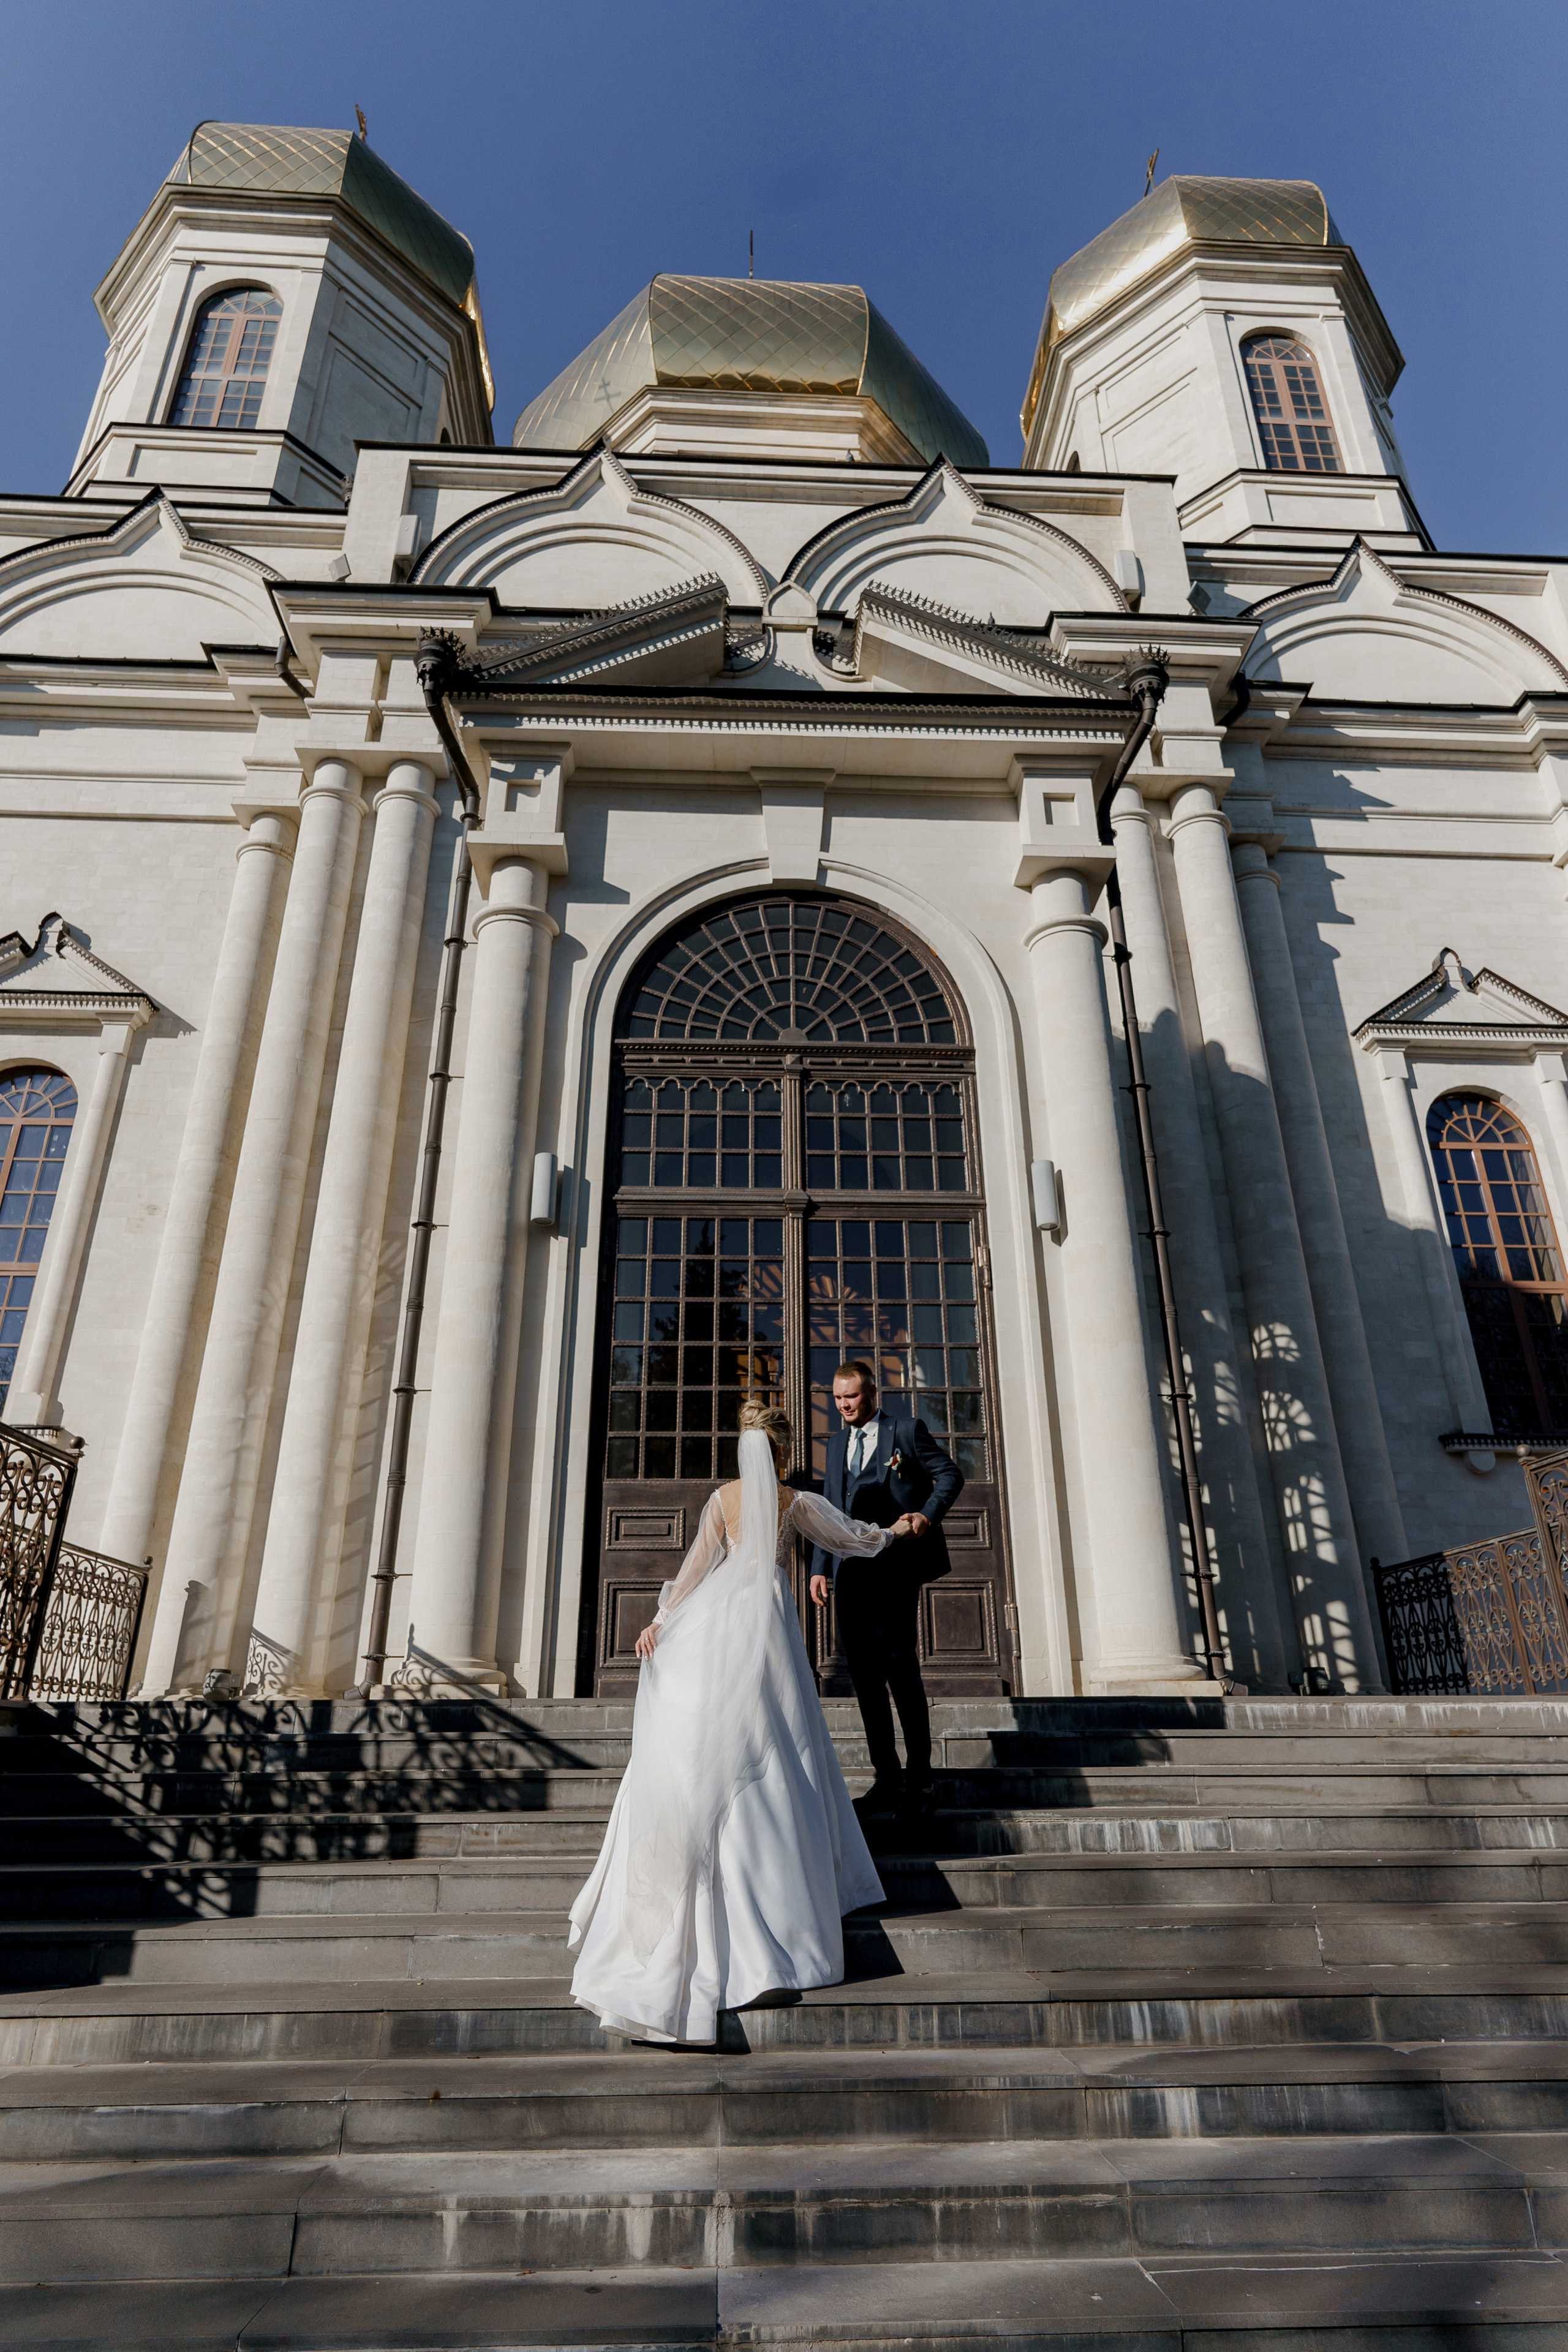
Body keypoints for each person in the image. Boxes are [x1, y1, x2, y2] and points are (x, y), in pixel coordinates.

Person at [568, 1401, 920, 2046]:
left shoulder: (722, 1499)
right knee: (776, 1736)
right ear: (782, 1453)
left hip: (718, 1621)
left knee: (722, 1737)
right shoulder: (794, 1501)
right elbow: (853, 1539)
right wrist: (896, 1529)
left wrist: (660, 1621)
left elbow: (693, 1570)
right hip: (768, 1622)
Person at [809, 1360, 963, 1826]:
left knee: (900, 1667)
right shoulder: (836, 1444)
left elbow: (950, 1475)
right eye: (838, 1398)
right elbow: (830, 1509)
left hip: (896, 1567)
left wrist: (926, 1515)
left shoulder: (907, 1431)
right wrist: (820, 1567)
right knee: (865, 1677)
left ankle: (921, 1782)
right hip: (851, 1573)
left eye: (852, 1397)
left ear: (873, 1392)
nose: (844, 1406)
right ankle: (887, 1779)